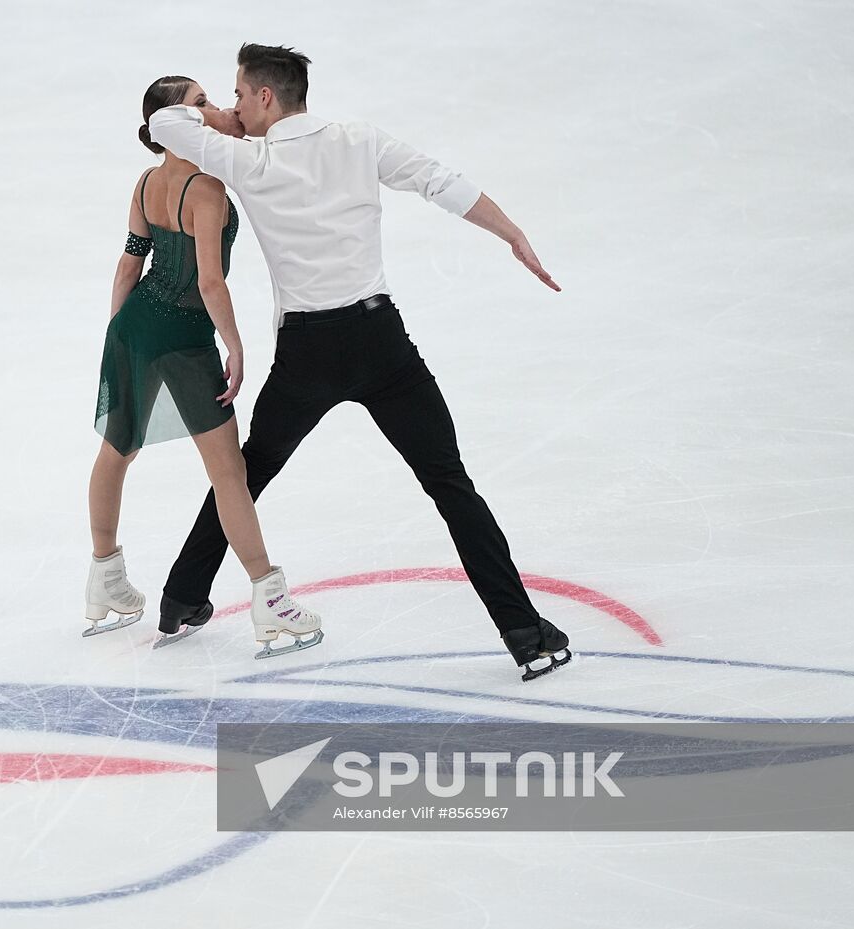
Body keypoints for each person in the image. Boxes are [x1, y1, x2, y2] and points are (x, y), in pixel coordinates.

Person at [147, 44, 572, 681]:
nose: (230, 107)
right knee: (450, 485)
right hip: (381, 344)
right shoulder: (359, 140)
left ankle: (181, 597)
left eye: (237, 94)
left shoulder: (245, 158)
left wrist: (208, 118)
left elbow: (163, 124)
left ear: (266, 97)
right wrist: (512, 233)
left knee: (248, 471)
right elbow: (443, 182)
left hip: (307, 356)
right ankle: (524, 632)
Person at [84, 75, 323, 659]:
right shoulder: (207, 189)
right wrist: (235, 345)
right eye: (200, 104)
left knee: (118, 452)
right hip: (187, 339)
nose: (213, 108)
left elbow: (128, 267)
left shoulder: (146, 184)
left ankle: (104, 579)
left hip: (135, 328)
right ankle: (270, 599)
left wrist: (122, 339)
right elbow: (211, 283)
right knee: (228, 472)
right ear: (179, 122)